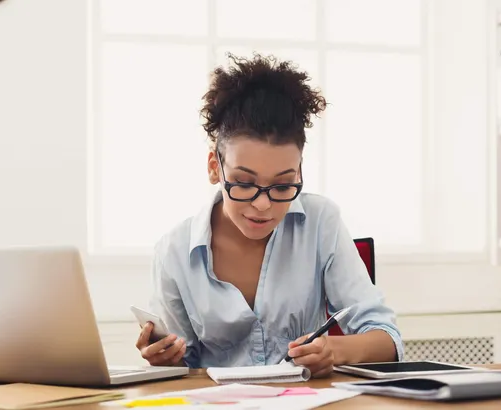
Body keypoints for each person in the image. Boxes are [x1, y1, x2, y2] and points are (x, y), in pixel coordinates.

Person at [134, 53, 403, 378]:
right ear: (214, 168)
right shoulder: (174, 251)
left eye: (283, 184)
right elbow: (185, 368)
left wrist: (332, 351)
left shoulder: (321, 223)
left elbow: (387, 338)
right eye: (245, 183)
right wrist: (167, 359)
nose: (263, 205)